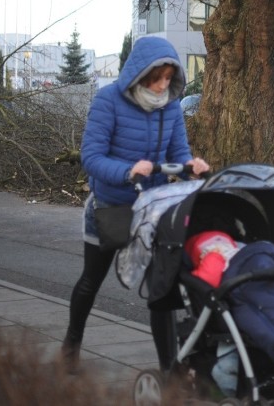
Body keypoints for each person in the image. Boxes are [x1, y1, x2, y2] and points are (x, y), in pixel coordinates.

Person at [62, 36, 210, 373]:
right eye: (156, 79)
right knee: (91, 281)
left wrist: (191, 166)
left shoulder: (171, 106)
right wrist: (128, 172)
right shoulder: (108, 101)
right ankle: (71, 344)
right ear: (140, 74)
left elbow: (178, 153)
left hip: (153, 210)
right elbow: (92, 157)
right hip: (110, 207)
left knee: (162, 290)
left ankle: (167, 370)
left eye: (168, 79)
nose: (162, 87)